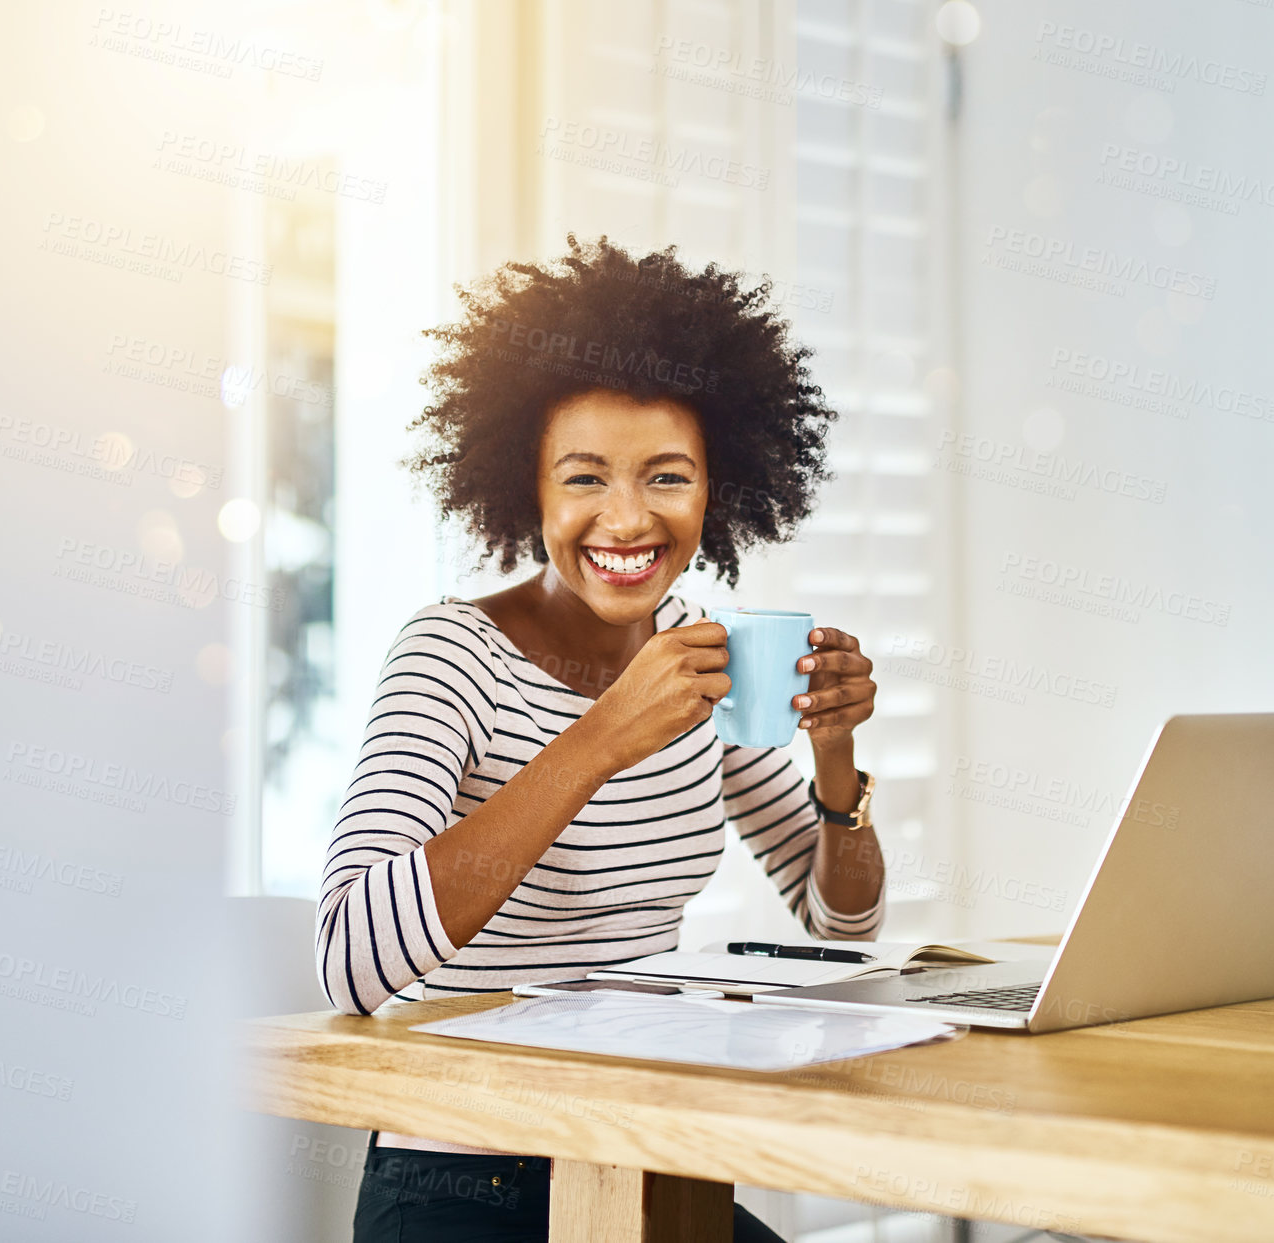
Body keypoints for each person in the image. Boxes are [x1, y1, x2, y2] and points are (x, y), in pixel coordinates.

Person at [317, 236, 884, 1243]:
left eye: (667, 477)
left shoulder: (697, 655)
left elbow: (839, 920)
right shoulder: (451, 654)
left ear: (718, 492)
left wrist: (833, 760)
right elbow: (354, 960)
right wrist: (601, 737)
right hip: (461, 1182)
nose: (626, 518)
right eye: (584, 478)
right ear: (523, 487)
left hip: (647, 1162)